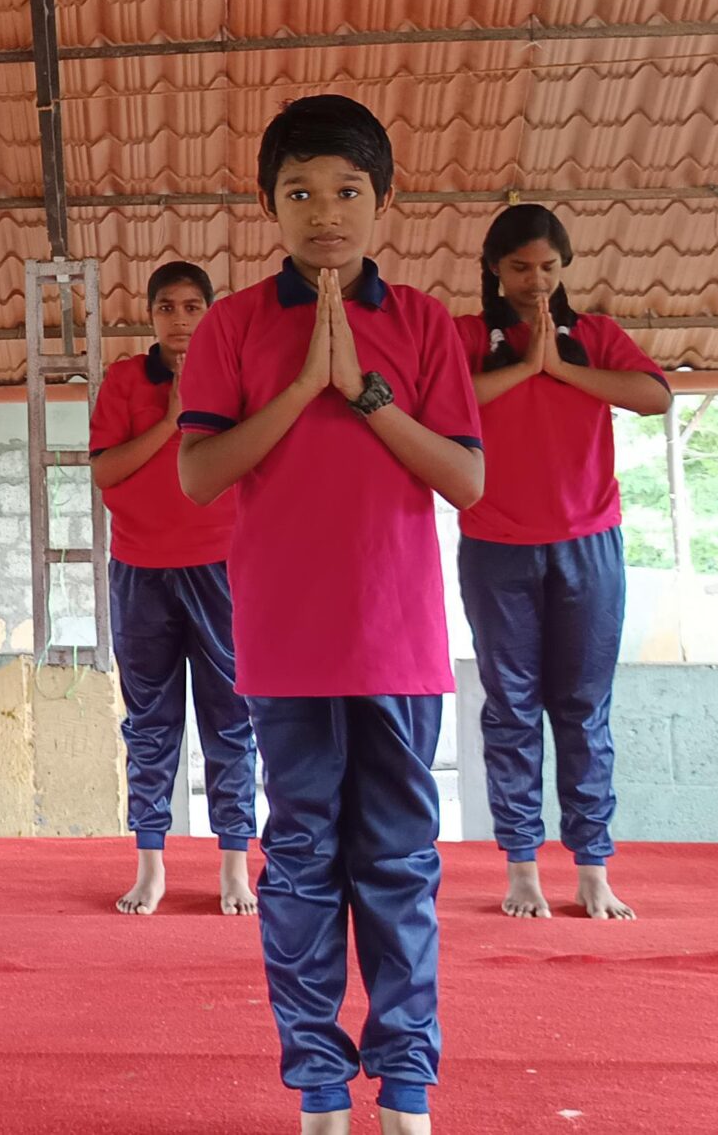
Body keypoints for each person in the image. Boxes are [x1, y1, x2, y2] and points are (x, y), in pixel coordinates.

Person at [178, 95, 482, 1135]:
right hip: (283, 644)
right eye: (300, 192)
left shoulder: (425, 323)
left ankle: (404, 1087)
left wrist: (364, 392)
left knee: (399, 862)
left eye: (347, 191)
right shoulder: (230, 325)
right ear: (270, 205)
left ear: (382, 201)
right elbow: (198, 472)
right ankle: (316, 1087)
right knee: (301, 862)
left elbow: (468, 480)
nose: (325, 213)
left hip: (399, 643)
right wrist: (306, 380)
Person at [451, 204, 668, 919]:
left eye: (548, 267)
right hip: (496, 546)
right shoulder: (466, 337)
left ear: (564, 267)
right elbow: (440, 405)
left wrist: (563, 369)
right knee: (511, 706)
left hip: (589, 542)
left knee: (583, 707)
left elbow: (655, 397)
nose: (535, 281)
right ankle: (521, 866)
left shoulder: (596, 337)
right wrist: (525, 367)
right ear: (494, 269)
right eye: (519, 268)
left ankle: (592, 866)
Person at [89, 260, 256, 916]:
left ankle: (235, 866)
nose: (180, 320)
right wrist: (170, 420)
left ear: (210, 312)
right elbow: (106, 471)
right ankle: (151, 865)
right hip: (140, 570)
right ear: (151, 315)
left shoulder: (236, 375)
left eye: (192, 307)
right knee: (150, 722)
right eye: (167, 308)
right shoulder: (126, 380)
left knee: (231, 717)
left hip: (222, 567)